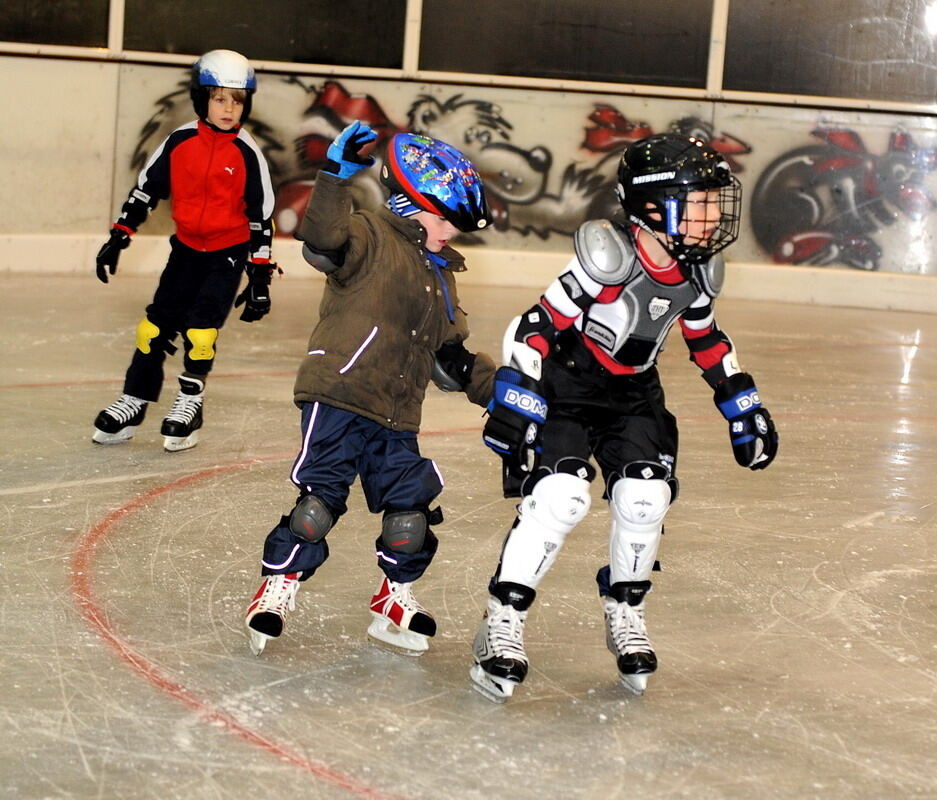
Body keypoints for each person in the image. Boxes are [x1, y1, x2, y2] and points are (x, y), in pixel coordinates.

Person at [471, 133, 779, 702]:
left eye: (714, 201)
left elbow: (705, 338)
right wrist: (516, 390)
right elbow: (539, 322)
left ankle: (626, 611)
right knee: (561, 498)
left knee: (645, 499)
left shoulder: (698, 268)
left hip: (634, 394)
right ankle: (502, 621)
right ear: (655, 205)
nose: (713, 216)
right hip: (568, 385)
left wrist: (743, 403)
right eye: (701, 201)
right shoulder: (609, 256)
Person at [244, 124, 496, 657]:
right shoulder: (367, 235)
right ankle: (277, 586)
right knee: (318, 505)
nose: (450, 231)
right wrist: (335, 175)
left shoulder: (441, 276)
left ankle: (393, 598)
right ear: (409, 202)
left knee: (409, 513)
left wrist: (503, 393)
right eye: (442, 217)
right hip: (339, 393)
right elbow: (322, 238)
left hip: (397, 411)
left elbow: (450, 360)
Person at [91, 49, 277, 452]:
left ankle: (190, 403)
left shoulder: (248, 153)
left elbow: (262, 219)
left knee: (200, 331)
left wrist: (259, 276)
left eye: (237, 100)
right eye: (219, 98)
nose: (229, 109)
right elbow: (145, 191)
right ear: (201, 99)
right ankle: (135, 399)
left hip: (227, 252)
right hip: (187, 249)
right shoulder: (179, 142)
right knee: (153, 327)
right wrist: (119, 236)